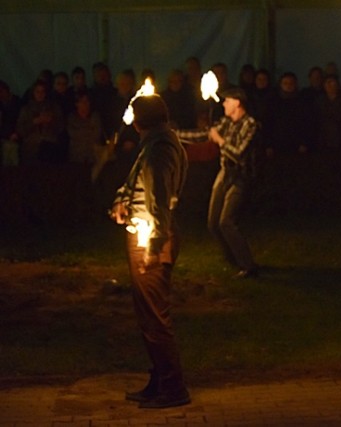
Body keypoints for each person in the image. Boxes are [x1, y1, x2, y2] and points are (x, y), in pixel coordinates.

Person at [110, 94, 190, 409]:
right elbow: (136, 183)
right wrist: (122, 201)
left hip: (152, 239)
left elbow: (158, 201)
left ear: (141, 120)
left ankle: (173, 388)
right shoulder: (154, 144)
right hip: (147, 234)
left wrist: (153, 247)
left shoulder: (160, 148)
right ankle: (160, 381)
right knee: (149, 316)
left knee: (156, 318)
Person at [177, 87, 259, 278]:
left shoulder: (252, 125)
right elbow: (203, 135)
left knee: (226, 222)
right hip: (224, 173)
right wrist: (174, 134)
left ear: (237, 103)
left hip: (241, 176)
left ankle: (248, 265)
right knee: (213, 223)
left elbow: (239, 154)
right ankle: (233, 259)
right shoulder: (226, 122)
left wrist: (220, 141)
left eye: (227, 101)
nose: (223, 104)